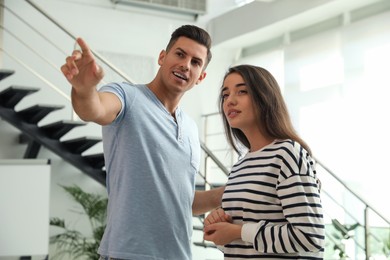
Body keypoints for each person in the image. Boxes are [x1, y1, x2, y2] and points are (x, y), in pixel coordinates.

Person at [61, 25, 224, 260]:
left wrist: (234, 191)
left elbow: (183, 200)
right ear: (162, 57)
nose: (186, 65)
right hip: (127, 254)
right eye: (180, 54)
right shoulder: (127, 97)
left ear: (201, 77)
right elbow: (94, 109)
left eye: (195, 62)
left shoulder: (190, 128)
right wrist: (84, 90)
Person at [203, 64, 325, 259]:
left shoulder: (287, 154)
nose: (230, 101)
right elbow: (247, 247)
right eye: (225, 95)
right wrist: (219, 228)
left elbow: (310, 237)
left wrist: (237, 231)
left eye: (242, 91)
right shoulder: (239, 168)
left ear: (264, 97)